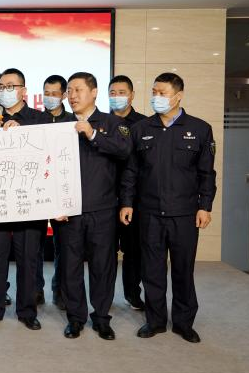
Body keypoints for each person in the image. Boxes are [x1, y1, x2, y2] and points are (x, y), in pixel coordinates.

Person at [120, 72, 216, 343]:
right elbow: (130, 171)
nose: (156, 98)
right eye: (154, 92)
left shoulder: (199, 129)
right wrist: (127, 202)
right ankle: (155, 321)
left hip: (185, 214)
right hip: (149, 213)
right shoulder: (141, 129)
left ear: (178, 96)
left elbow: (207, 173)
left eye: (162, 93)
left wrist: (205, 206)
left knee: (183, 270)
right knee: (152, 270)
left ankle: (184, 323)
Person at [57, 72, 132, 340]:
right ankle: (75, 318)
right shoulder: (60, 125)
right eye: (69, 91)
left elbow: (124, 152)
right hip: (68, 212)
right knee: (70, 266)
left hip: (103, 209)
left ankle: (101, 318)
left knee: (103, 266)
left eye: (78, 90)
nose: (72, 96)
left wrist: (92, 135)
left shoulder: (113, 123)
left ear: (94, 92)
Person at [0, 68, 48, 331]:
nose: (4, 91)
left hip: (28, 202)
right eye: (1, 87)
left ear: (23, 90)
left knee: (28, 259)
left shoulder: (39, 119)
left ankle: (27, 311)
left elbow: (47, 153)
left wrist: (23, 132)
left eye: (10, 86)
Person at [108, 75, 146, 311]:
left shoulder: (144, 124)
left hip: (135, 198)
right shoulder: (100, 122)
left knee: (134, 250)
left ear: (132, 95)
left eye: (121, 92)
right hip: (105, 196)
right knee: (106, 251)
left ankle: (133, 294)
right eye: (112, 93)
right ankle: (105, 297)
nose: (117, 97)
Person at [38, 74, 75, 310]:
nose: (50, 97)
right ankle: (35, 290)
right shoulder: (33, 119)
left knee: (64, 245)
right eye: (46, 93)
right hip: (37, 189)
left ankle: (60, 290)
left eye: (54, 93)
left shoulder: (72, 121)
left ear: (63, 95)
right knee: (34, 246)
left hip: (63, 190)